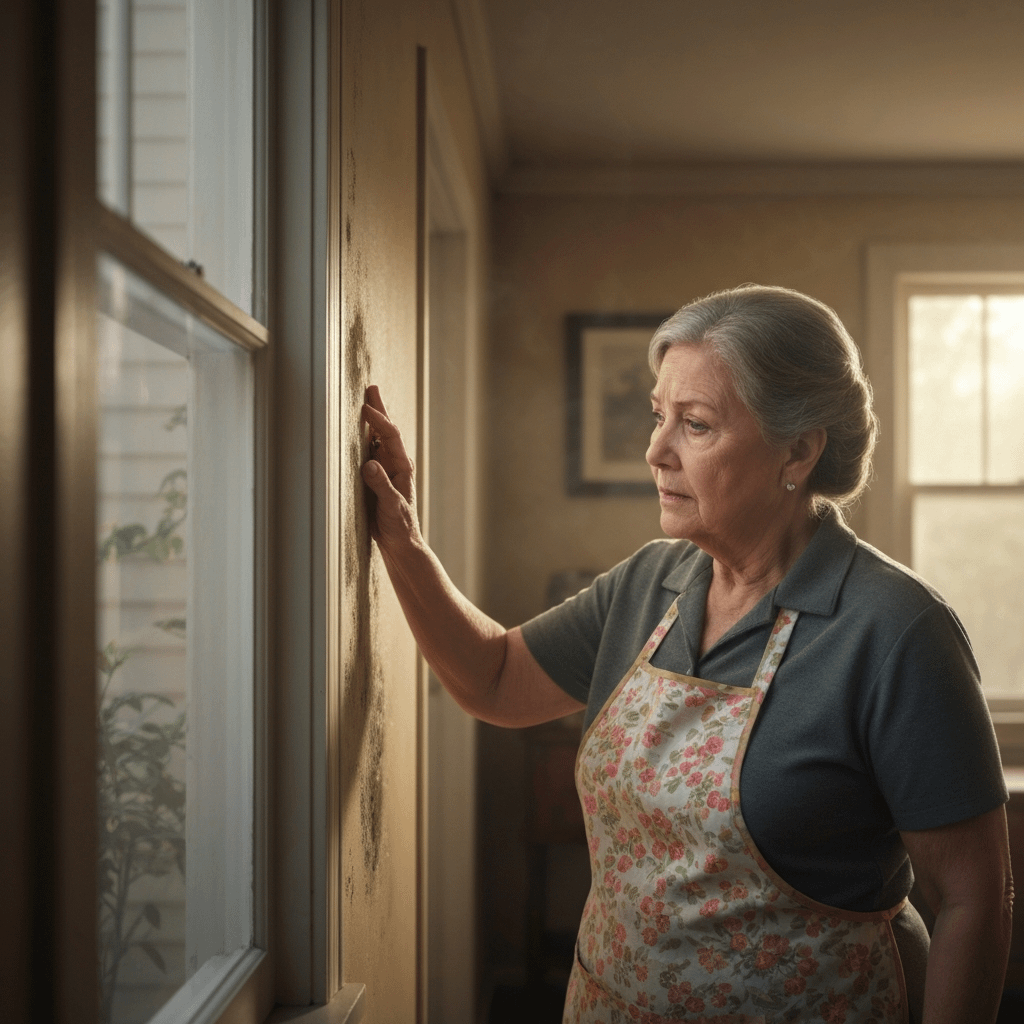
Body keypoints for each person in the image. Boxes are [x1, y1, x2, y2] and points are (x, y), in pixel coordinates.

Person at [360, 284, 1012, 1024]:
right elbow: (496, 679)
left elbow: (971, 899)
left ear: (797, 450)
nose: (655, 450)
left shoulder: (896, 631)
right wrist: (401, 540)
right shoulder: (648, 583)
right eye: (657, 415)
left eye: (694, 425)